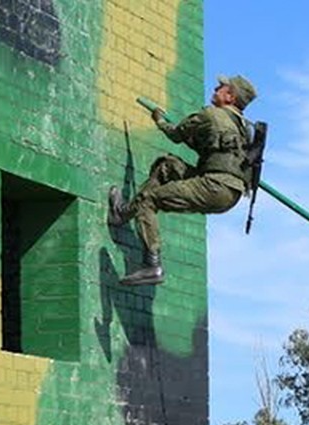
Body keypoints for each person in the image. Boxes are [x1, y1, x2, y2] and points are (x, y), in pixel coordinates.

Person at [107, 74, 259, 286]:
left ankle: (152, 265)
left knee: (149, 200)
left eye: (221, 87)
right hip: (229, 192)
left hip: (214, 186)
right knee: (167, 166)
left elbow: (176, 135)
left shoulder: (210, 114)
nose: (215, 89)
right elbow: (207, 149)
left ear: (230, 97)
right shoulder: (244, 129)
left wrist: (159, 119)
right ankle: (122, 214)